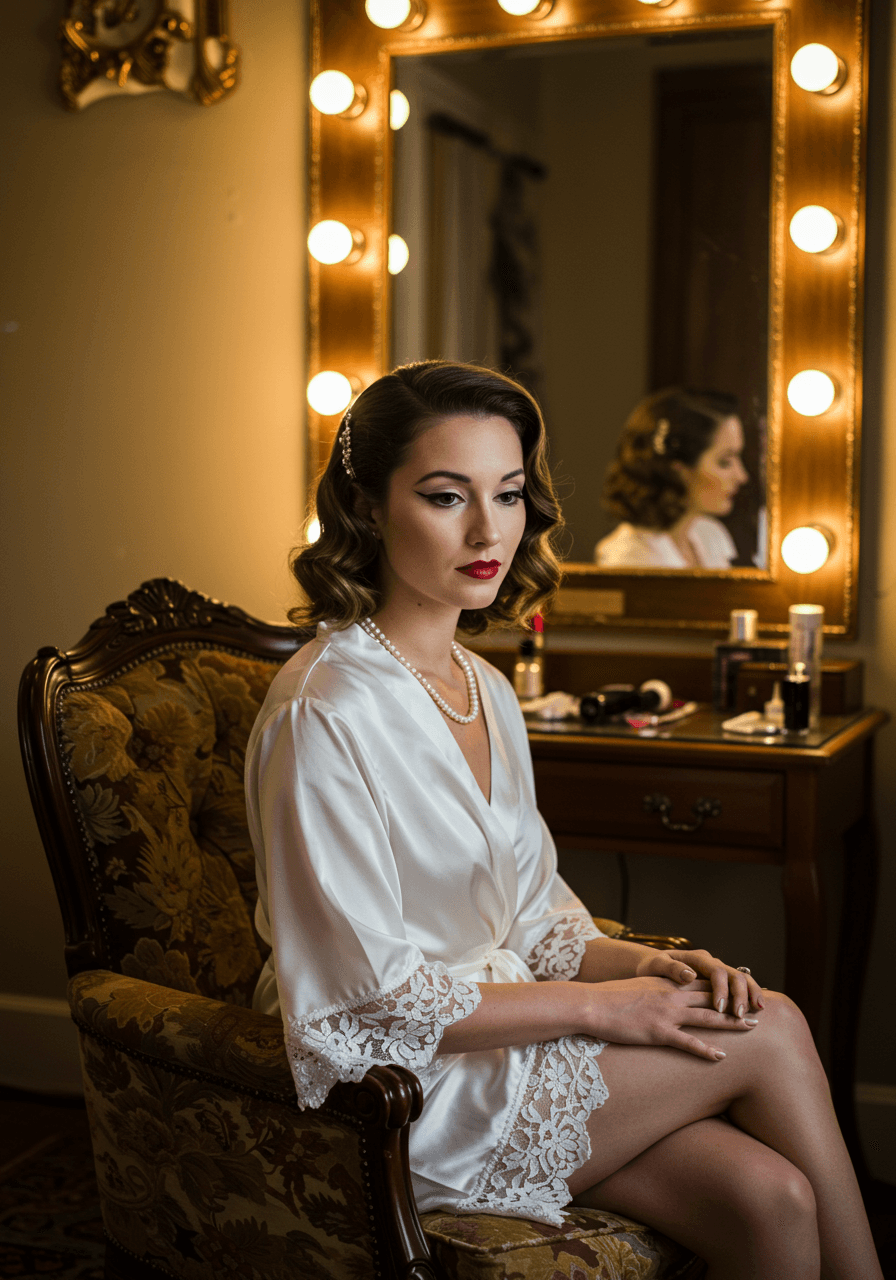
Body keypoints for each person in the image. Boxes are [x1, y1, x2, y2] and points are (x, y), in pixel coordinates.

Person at [246, 361, 881, 1279]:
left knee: (770, 1202)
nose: (487, 529)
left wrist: (647, 966)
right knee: (773, 1029)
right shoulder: (324, 710)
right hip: (395, 1093)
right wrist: (603, 1008)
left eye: (507, 495)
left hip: (511, 1043)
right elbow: (367, 1002)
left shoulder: (487, 690)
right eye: (443, 496)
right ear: (367, 506)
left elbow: (538, 917)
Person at [595, 387, 749, 569]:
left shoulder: (710, 534)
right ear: (677, 468)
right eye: (725, 462)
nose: (742, 476)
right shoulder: (630, 558)